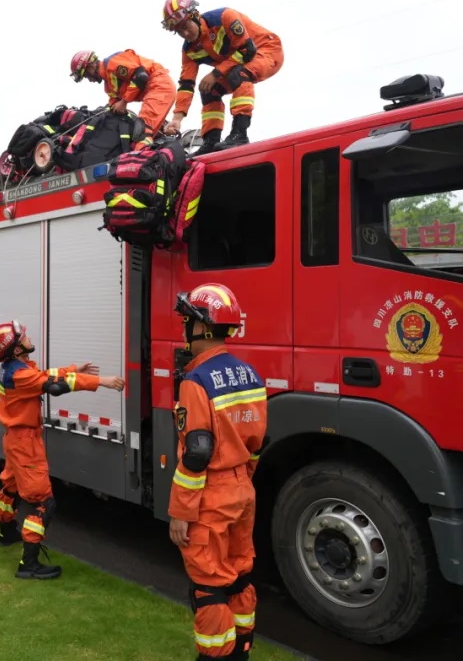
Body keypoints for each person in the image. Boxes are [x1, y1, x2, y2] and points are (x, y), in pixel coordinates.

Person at [169, 283, 268, 661]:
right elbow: (257, 441)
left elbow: (197, 453)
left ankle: (215, 656)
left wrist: (181, 511)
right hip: (242, 490)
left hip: (209, 497)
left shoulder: (196, 381)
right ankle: (241, 652)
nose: (185, 329)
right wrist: (242, 479)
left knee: (208, 585)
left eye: (187, 322)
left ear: (202, 327)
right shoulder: (250, 374)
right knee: (239, 575)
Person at [0, 320, 125, 580]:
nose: (28, 337)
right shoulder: (20, 374)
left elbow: (46, 375)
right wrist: (102, 381)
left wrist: (73, 368)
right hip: (25, 444)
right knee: (43, 503)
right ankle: (28, 564)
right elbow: (55, 385)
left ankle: (6, 532)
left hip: (15, 439)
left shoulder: (15, 369)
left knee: (11, 487)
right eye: (22, 337)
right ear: (16, 349)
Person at [160, 0, 283, 156]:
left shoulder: (224, 17)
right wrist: (177, 119)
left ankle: (239, 134)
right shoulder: (189, 50)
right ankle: (211, 141)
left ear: (195, 15)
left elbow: (248, 50)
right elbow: (186, 85)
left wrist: (215, 73)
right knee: (209, 90)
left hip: (267, 51)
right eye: (179, 31)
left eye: (185, 26)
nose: (185, 33)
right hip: (236, 64)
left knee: (238, 75)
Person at [69, 49, 176, 140]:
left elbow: (141, 77)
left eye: (87, 76)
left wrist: (124, 102)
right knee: (140, 131)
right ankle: (164, 130)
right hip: (155, 93)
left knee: (141, 133)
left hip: (159, 86)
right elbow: (114, 108)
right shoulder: (109, 87)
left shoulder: (112, 63)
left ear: (90, 67)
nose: (90, 80)